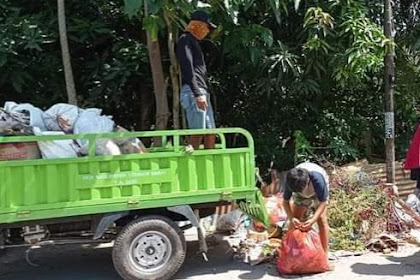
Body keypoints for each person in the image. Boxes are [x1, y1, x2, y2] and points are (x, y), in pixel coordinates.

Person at [176, 11, 217, 150]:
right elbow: (187, 68)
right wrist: (197, 93)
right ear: (197, 25)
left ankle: (208, 167)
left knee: (210, 133)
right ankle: (188, 166)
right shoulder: (185, 40)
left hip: (201, 90)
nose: (206, 30)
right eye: (206, 26)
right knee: (197, 133)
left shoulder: (194, 42)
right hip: (194, 91)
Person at [282, 162, 330, 254]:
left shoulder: (318, 179)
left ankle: (324, 255)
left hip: (317, 193)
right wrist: (291, 218)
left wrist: (312, 220)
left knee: (322, 220)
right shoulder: (291, 181)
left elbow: (323, 202)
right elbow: (285, 202)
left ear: (307, 182)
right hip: (300, 195)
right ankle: (291, 252)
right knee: (295, 221)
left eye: (301, 190)